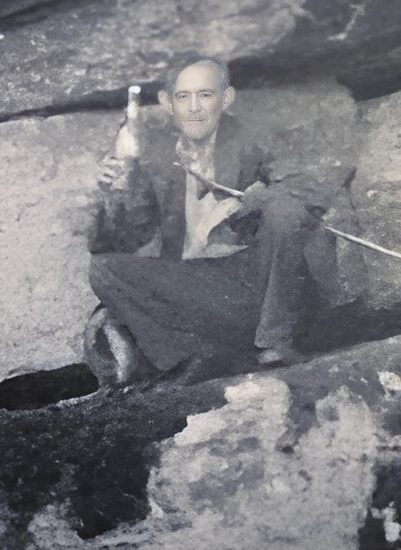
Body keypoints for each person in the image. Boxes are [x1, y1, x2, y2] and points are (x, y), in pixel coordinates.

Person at [88, 56, 349, 384]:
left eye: (205, 95)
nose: (194, 107)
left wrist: (254, 204)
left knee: (286, 210)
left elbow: (305, 186)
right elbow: (126, 241)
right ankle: (196, 355)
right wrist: (116, 188)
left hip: (267, 286)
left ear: (226, 99)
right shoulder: (160, 160)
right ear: (167, 103)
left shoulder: (253, 138)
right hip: (209, 292)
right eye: (183, 97)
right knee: (103, 268)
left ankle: (275, 343)